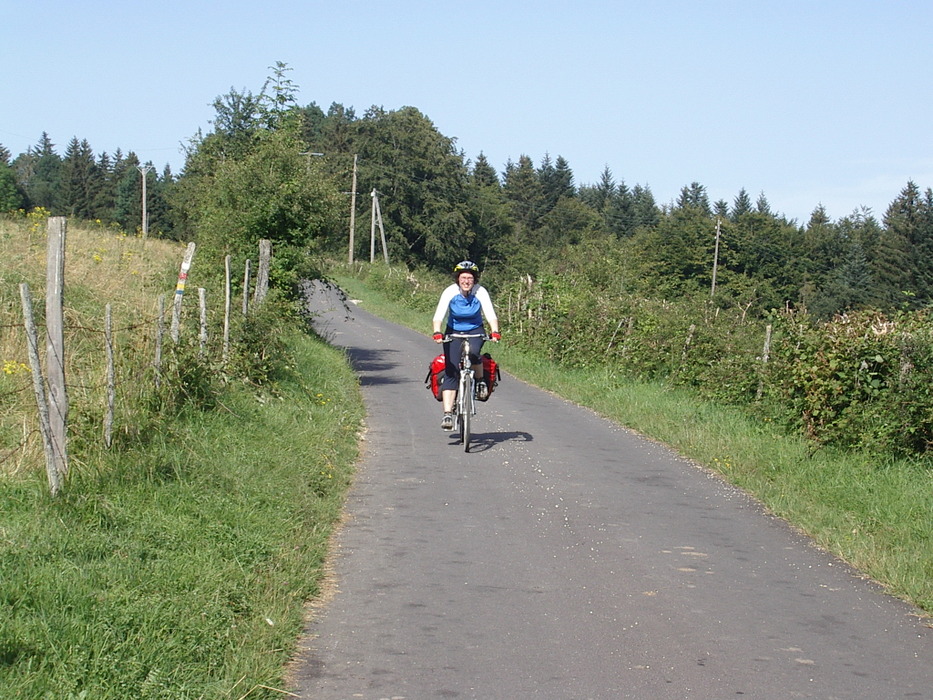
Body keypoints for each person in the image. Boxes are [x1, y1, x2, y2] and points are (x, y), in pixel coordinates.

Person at [432, 260, 501, 430]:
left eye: (469, 278)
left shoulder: (480, 292)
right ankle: (448, 414)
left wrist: (495, 331)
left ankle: (480, 381)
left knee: (474, 353)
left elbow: (490, 314)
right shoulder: (450, 291)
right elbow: (439, 315)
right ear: (458, 279)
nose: (466, 281)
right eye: (463, 278)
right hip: (453, 331)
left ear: (474, 279)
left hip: (475, 330)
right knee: (451, 370)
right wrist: (437, 332)